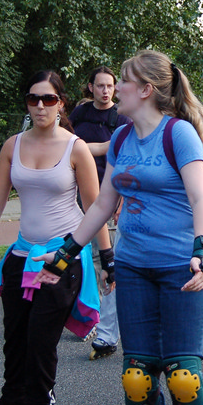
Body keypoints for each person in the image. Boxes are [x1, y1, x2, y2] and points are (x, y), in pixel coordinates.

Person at [35, 50, 203, 405]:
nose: (116, 89)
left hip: (182, 266)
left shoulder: (178, 134)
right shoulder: (120, 137)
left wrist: (202, 249)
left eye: (124, 81)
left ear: (146, 90)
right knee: (138, 378)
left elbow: (201, 199)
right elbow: (103, 203)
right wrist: (66, 253)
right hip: (133, 267)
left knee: (183, 380)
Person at [0, 71, 112, 405]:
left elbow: (95, 208)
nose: (40, 106)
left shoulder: (76, 148)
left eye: (48, 99)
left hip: (62, 258)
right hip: (22, 255)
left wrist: (107, 258)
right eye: (33, 99)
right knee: (15, 337)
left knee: (41, 339)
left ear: (61, 103)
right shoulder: (13, 145)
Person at [69, 66, 132, 361]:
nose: (105, 91)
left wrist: (121, 198)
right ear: (91, 87)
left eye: (110, 86)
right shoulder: (79, 115)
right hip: (73, 194)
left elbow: (122, 157)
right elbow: (65, 146)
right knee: (74, 257)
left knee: (105, 261)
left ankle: (105, 331)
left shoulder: (122, 119)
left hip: (107, 196)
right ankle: (81, 312)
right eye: (100, 85)